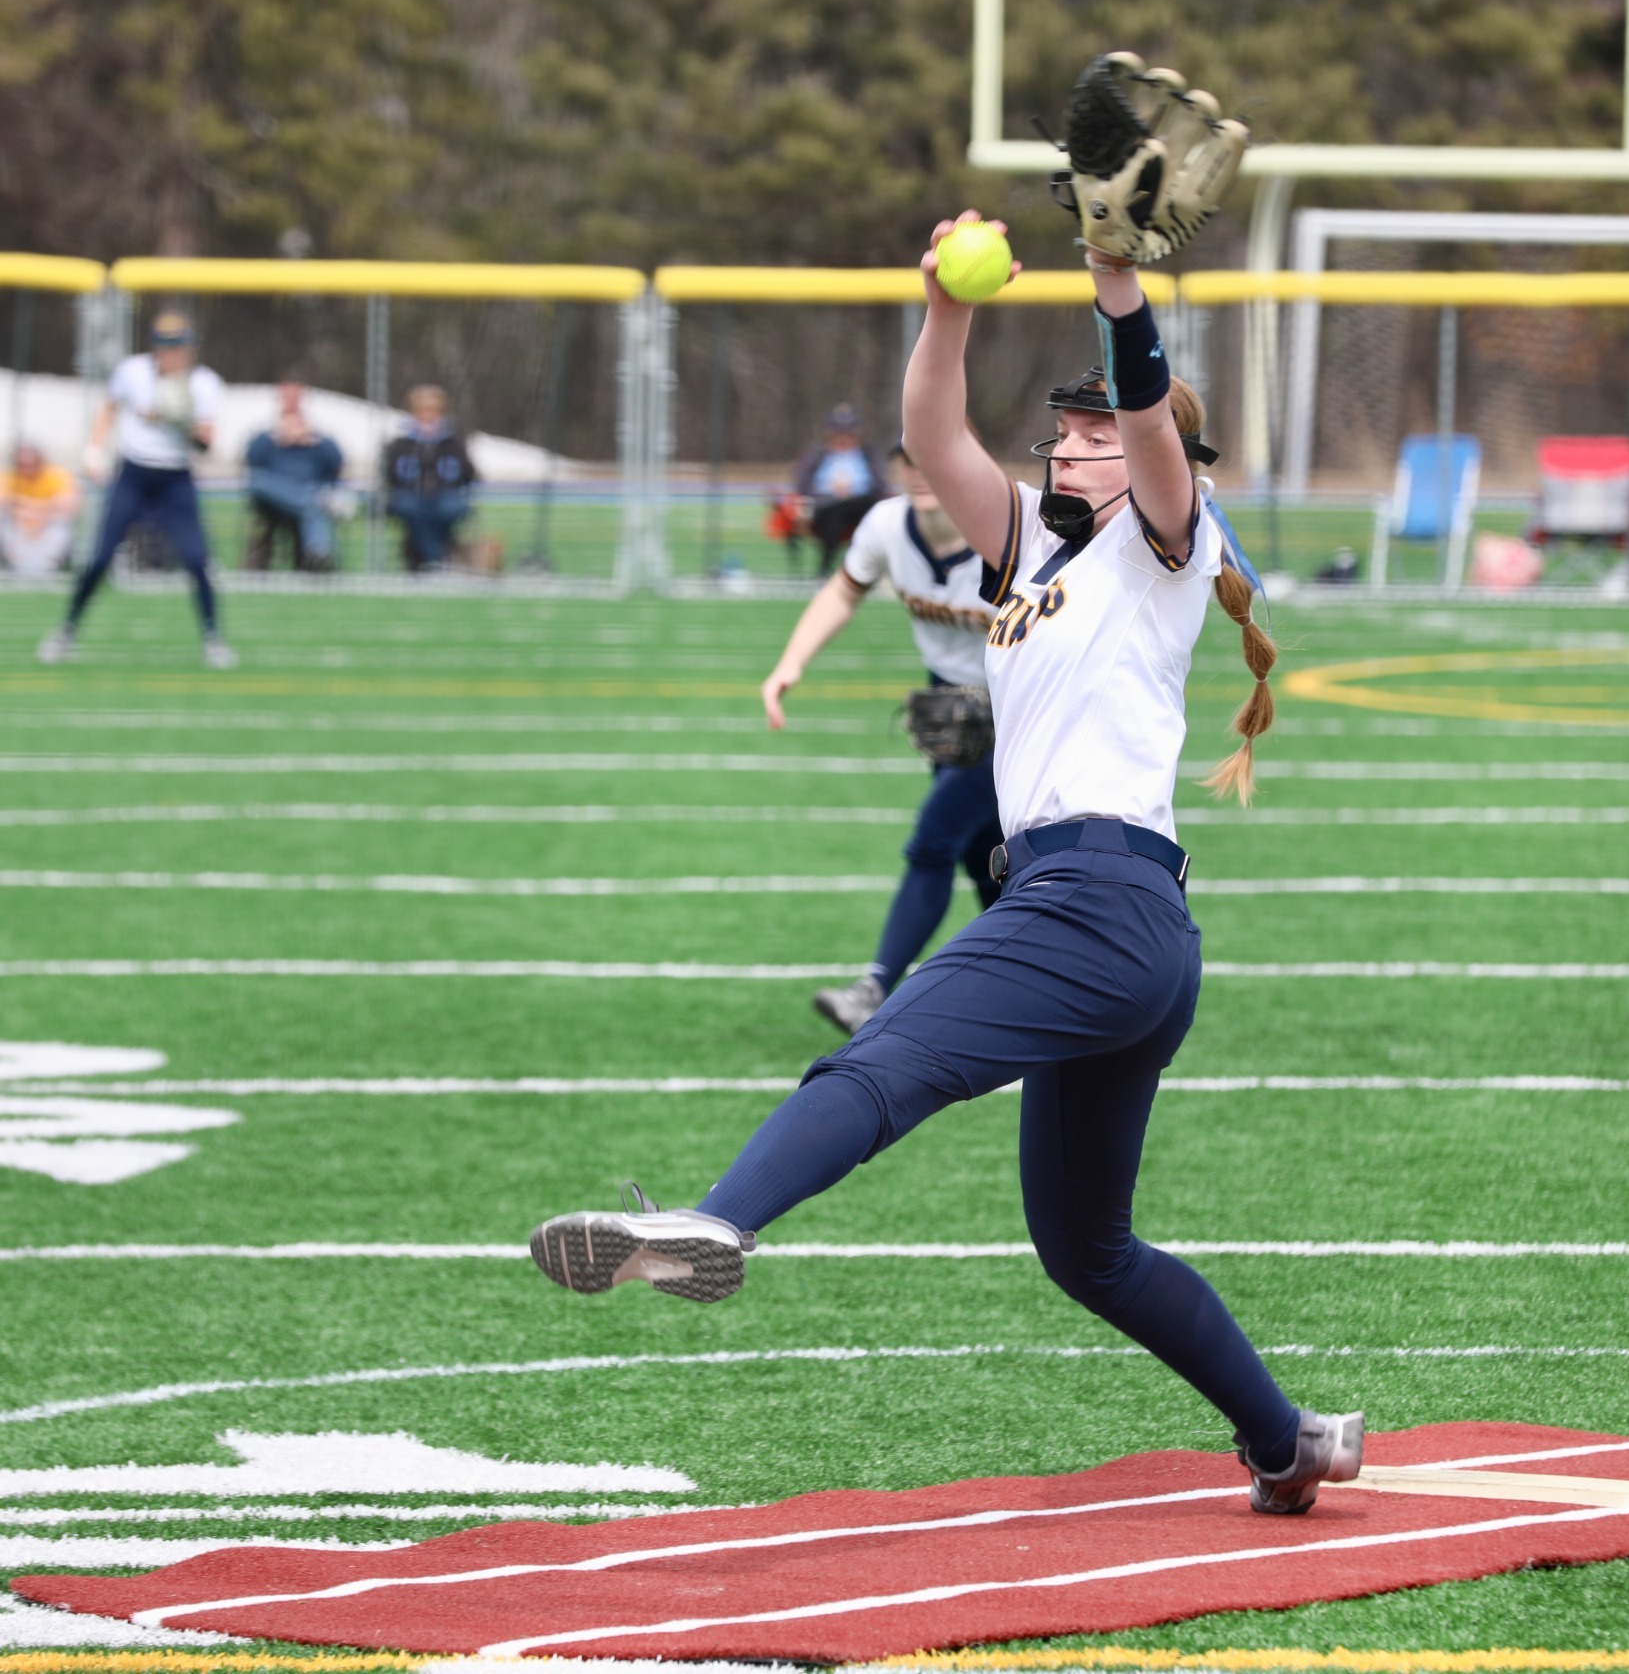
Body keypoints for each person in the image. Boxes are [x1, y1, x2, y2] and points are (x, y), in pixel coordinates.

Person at [533, 209, 1364, 1518]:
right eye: (1064, 431)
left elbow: (1148, 411)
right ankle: (1287, 1441)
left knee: (888, 1053)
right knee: (1087, 1250)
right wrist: (947, 306)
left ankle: (715, 1220)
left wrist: (1112, 282)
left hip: (1096, 901)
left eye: (1099, 430)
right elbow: (932, 438)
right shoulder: (1032, 549)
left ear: (1169, 461)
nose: (1075, 441)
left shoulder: (1172, 542)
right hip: (1119, 921)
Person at [762, 441, 1003, 1035]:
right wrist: (790, 663)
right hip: (947, 700)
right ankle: (1038, 994)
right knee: (985, 859)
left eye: (935, 456)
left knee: (933, 841)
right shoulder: (888, 524)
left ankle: (873, 987)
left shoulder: (1007, 529)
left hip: (1015, 709)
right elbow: (844, 590)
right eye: (910, 460)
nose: (920, 472)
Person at [38, 311, 235, 669]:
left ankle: (213, 637)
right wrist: (94, 451)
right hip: (133, 473)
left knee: (196, 558)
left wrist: (177, 420)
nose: (170, 354)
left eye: (177, 346)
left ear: (190, 349)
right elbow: (109, 408)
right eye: (164, 345)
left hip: (175, 477)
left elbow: (206, 442)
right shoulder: (132, 372)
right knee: (99, 557)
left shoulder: (205, 383)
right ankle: (66, 631)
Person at [245, 378, 347, 571]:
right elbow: (251, 460)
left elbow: (336, 462)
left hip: (308, 489)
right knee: (258, 482)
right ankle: (318, 550)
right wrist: (278, 438)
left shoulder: (317, 436)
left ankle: (317, 554)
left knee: (312, 503)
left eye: (295, 398)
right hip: (273, 496)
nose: (291, 402)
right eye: (286, 397)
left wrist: (311, 439)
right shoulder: (266, 435)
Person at [382, 385, 476, 570]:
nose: (427, 415)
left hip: (445, 493)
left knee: (448, 509)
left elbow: (467, 472)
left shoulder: (453, 442)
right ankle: (436, 561)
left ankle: (427, 562)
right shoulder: (401, 443)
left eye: (432, 410)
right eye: (421, 410)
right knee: (411, 509)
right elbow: (391, 473)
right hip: (410, 493)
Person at [792, 403, 885, 576]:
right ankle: (829, 571)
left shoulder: (867, 455)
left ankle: (863, 569)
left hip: (861, 505)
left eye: (848, 432)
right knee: (834, 515)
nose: (843, 437)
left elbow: (879, 487)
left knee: (865, 510)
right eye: (839, 431)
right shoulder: (817, 455)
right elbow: (803, 485)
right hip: (827, 505)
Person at [0, 441, 80, 576]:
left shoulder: (57, 475)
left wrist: (25, 506)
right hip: (18, 525)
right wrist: (26, 512)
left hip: (48, 524)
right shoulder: (8, 477)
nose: (26, 469)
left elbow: (70, 504)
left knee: (61, 522)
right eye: (22, 465)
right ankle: (16, 564)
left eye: (31, 464)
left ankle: (49, 565)